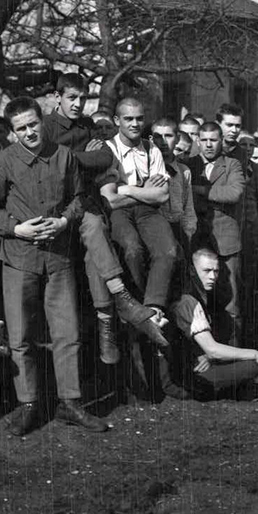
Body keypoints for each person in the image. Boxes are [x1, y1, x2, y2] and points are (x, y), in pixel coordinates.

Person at [0, 96, 108, 436]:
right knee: (21, 335)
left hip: (58, 258)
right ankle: (28, 404)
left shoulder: (64, 156)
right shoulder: (3, 161)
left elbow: (78, 199)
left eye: (33, 124)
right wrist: (16, 228)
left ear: (42, 120)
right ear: (12, 132)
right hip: (19, 259)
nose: (29, 132)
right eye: (21, 128)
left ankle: (70, 402)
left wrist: (65, 222)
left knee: (66, 332)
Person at [43, 74, 163, 365]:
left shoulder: (86, 126)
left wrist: (68, 157)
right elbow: (50, 165)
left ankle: (107, 321)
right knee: (95, 230)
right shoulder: (45, 127)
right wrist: (77, 157)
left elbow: (104, 160)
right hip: (53, 205)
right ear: (57, 97)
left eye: (83, 98)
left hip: (83, 202)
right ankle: (117, 302)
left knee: (95, 245)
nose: (78, 103)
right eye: (72, 97)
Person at [101, 98, 178, 328]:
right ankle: (136, 303)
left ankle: (154, 307)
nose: (135, 124)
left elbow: (162, 195)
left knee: (168, 250)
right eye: (128, 119)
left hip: (147, 211)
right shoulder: (108, 149)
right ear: (117, 121)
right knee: (132, 249)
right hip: (120, 212)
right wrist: (145, 190)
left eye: (139, 119)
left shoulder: (151, 147)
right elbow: (111, 200)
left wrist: (129, 188)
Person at [169, 248, 258, 399]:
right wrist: (256, 354)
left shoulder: (202, 294)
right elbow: (213, 349)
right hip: (189, 375)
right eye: (206, 271)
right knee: (252, 365)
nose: (212, 277)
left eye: (216, 271)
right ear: (192, 270)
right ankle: (223, 391)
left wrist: (205, 355)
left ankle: (231, 388)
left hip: (193, 362)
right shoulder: (188, 300)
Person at [186, 122, 246, 344]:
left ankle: (234, 351)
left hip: (225, 239)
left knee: (230, 298)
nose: (209, 145)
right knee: (197, 298)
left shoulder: (232, 165)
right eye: (204, 140)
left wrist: (198, 190)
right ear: (198, 141)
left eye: (213, 140)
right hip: (196, 237)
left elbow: (234, 193)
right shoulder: (189, 164)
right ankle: (204, 352)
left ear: (221, 141)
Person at [150, 117, 197, 255]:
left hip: (179, 228)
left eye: (168, 136)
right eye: (158, 137)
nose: (163, 142)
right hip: (155, 229)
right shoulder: (146, 167)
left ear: (177, 139)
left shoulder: (184, 171)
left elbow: (188, 207)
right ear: (151, 139)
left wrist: (188, 232)